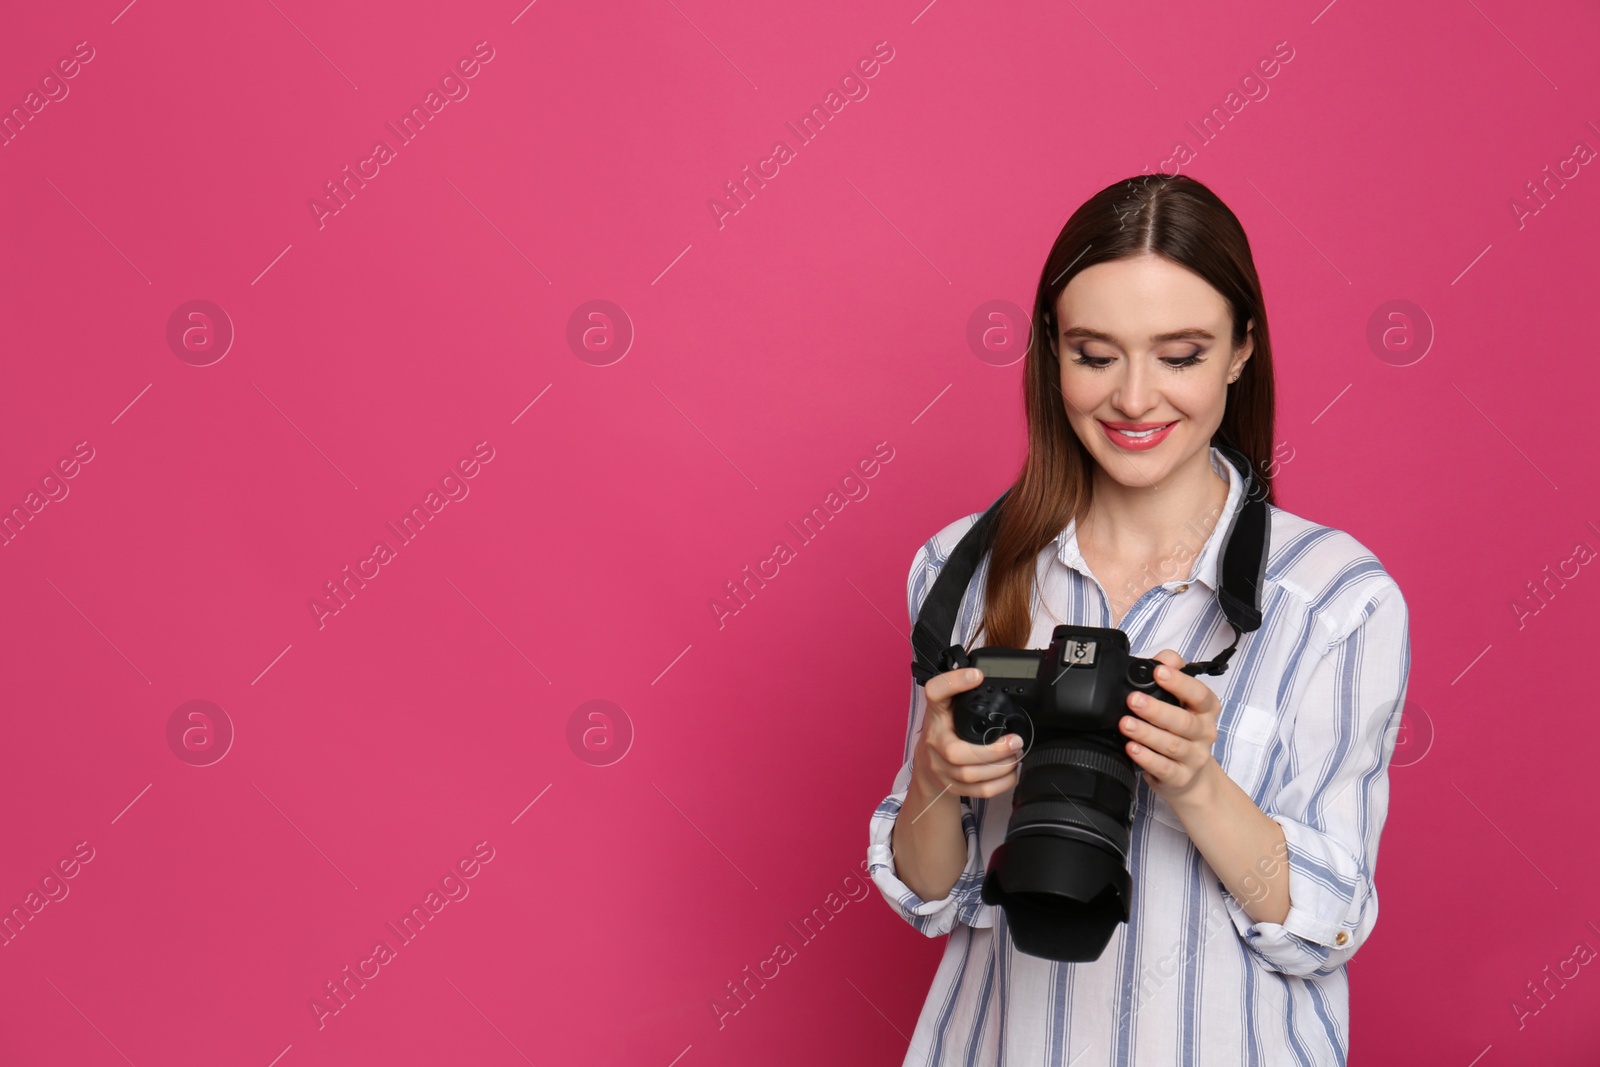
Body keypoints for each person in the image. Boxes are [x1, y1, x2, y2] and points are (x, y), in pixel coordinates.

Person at [866, 173, 1411, 1066]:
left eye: (1181, 355)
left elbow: (1329, 923)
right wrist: (936, 772)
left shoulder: (1335, 598)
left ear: (1242, 349)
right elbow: (929, 893)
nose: (1133, 397)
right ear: (1051, 350)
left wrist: (1195, 780)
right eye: (1094, 353)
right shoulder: (960, 568)